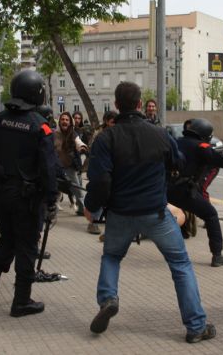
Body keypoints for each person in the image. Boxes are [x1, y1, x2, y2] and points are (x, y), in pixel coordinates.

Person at [83, 81, 215, 343]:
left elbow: (99, 181)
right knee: (180, 264)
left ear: (116, 105)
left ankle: (108, 298)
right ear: (141, 104)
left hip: (120, 213)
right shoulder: (159, 134)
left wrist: (91, 208)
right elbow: (178, 161)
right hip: (155, 212)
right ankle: (196, 326)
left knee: (111, 256)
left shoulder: (106, 138)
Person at [0, 69, 58, 317]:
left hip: (2, 193)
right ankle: (21, 301)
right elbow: (49, 169)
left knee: (7, 240)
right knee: (27, 246)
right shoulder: (41, 127)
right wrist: (51, 200)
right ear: (37, 94)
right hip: (27, 199)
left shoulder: (0, 119)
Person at [166, 118, 223, 266]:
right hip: (184, 191)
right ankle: (217, 255)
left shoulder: (177, 142)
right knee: (211, 214)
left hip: (167, 188)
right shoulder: (201, 146)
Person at [56, 111, 95, 232]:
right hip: (56, 168)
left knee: (77, 190)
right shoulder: (54, 134)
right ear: (59, 121)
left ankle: (87, 215)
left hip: (70, 167)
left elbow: (79, 143)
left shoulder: (73, 134)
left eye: (67, 120)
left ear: (70, 122)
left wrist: (83, 148)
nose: (64, 121)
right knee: (52, 189)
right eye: (62, 119)